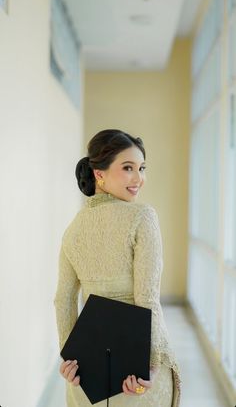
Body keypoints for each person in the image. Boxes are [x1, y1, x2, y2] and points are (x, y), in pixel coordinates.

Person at [54, 129, 181, 407]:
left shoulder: (73, 230)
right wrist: (152, 364)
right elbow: (147, 298)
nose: (139, 179)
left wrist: (70, 359)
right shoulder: (142, 217)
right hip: (135, 371)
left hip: (86, 377)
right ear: (99, 174)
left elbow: (63, 299)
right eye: (128, 168)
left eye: (142, 168)